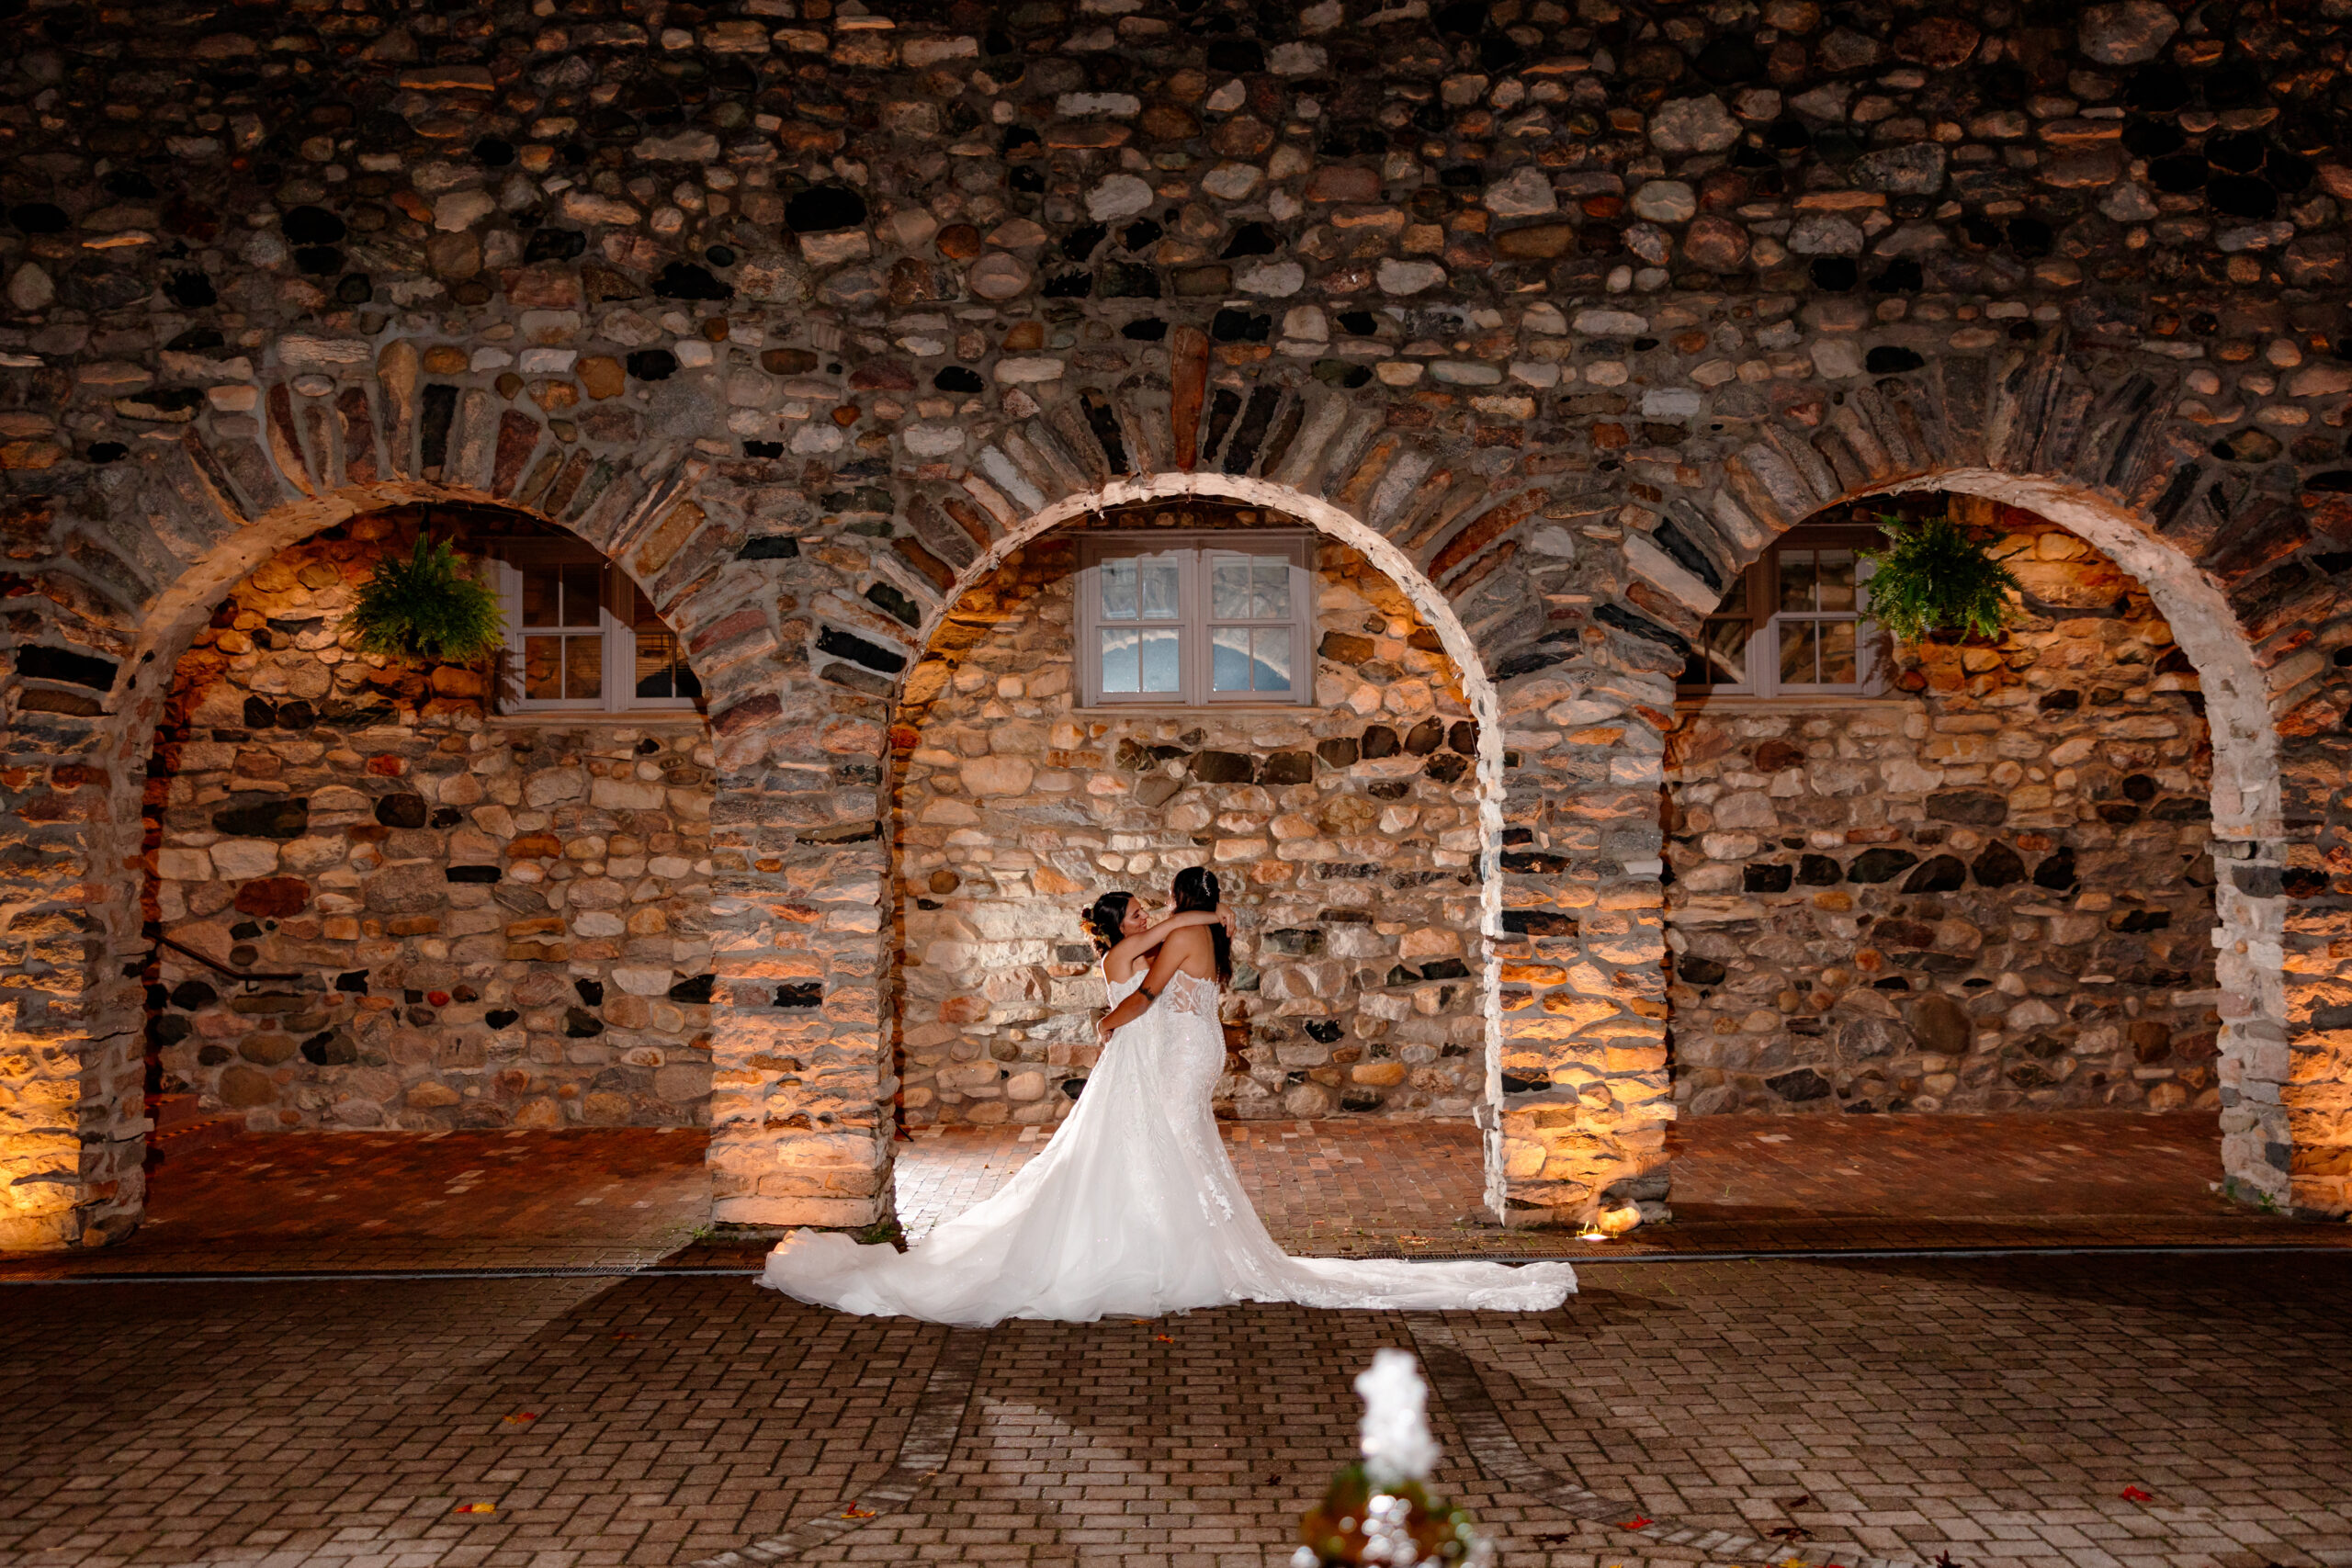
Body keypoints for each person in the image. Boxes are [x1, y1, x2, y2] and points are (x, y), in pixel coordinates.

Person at [760, 866, 1575, 1325]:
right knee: (1168, 1144)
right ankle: (1174, 1238)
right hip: (1171, 1054)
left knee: (1172, 1141)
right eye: (1137, 909)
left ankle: (1181, 1242)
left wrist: (1118, 1011)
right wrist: (1191, 931)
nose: (1149, 912)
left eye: (1157, 903)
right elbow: (1143, 977)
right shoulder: (1167, 942)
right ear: (1122, 921)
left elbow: (1152, 986)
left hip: (1172, 1053)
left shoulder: (1173, 936)